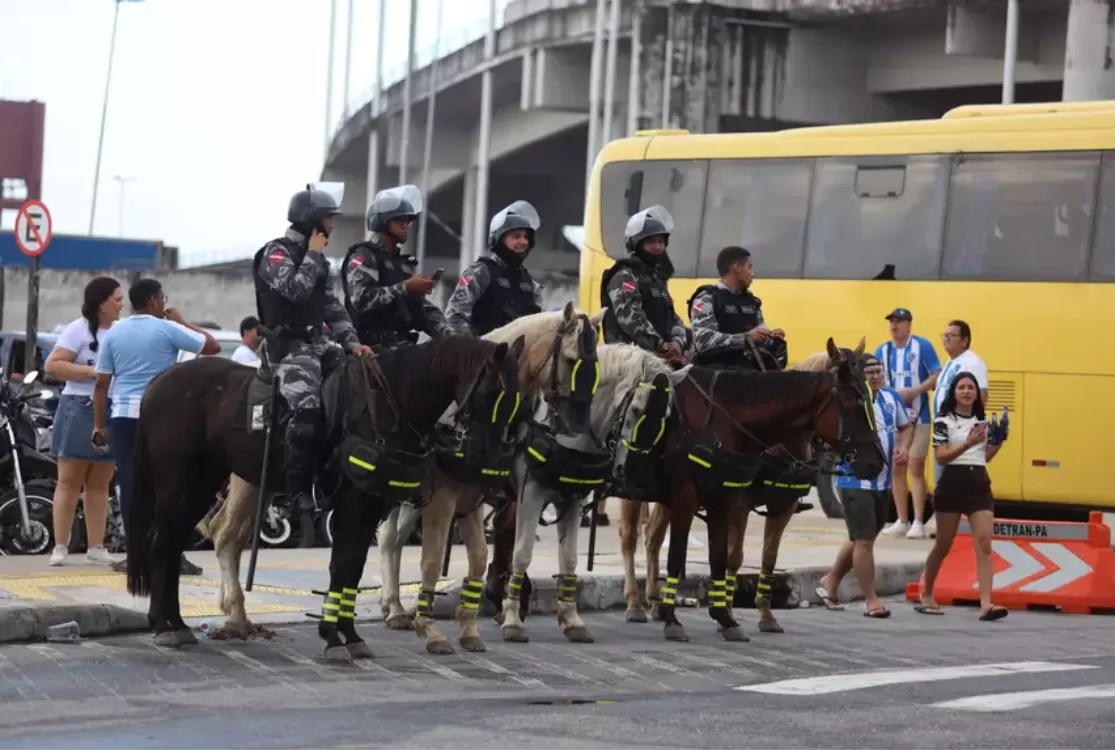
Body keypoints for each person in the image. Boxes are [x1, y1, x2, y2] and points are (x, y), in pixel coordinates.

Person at [254, 183, 371, 548]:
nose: (333, 226)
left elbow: (331, 307)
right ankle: (296, 490)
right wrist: (315, 255)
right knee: (307, 408)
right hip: (287, 348)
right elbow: (294, 291)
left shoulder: (315, 256)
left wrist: (353, 343)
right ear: (310, 222)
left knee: (360, 392)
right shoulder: (277, 252)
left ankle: (338, 473)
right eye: (328, 219)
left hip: (320, 344)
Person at [93, 279, 221, 574]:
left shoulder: (115, 332)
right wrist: (182, 321)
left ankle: (136, 556)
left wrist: (99, 424)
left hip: (123, 416)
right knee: (171, 485)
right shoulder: (167, 328)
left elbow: (101, 383)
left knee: (130, 484)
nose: (165, 302)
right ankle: (172, 555)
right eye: (163, 298)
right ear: (153, 300)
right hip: (163, 417)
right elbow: (212, 347)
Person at [815, 354, 913, 617]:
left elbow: (905, 427)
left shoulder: (891, 398)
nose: (876, 376)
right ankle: (871, 600)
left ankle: (831, 582)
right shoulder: (851, 402)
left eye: (879, 371)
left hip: (883, 482)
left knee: (860, 538)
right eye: (870, 372)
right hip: (855, 479)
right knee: (865, 541)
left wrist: (904, 448)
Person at [43, 277, 125, 566]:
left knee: (100, 481)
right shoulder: (76, 329)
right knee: (69, 480)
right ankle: (60, 546)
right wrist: (91, 373)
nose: (121, 304)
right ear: (101, 302)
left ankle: (96, 545)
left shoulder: (119, 331)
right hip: (78, 408)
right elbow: (52, 365)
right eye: (116, 299)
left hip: (108, 409)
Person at [916, 371, 1009, 621]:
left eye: (971, 387)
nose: (967, 391)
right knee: (943, 544)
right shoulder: (944, 421)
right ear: (954, 392)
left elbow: (983, 457)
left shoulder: (982, 421)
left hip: (978, 484)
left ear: (977, 393)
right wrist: (968, 443)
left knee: (985, 542)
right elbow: (941, 456)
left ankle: (987, 603)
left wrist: (998, 441)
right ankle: (925, 592)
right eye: (962, 387)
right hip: (952, 484)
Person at [341, 184, 453, 349]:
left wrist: (451, 335)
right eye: (400, 220)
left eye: (408, 220)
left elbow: (421, 309)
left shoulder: (404, 265)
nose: (406, 224)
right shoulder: (365, 255)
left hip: (403, 348)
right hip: (369, 350)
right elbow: (361, 299)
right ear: (382, 221)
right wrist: (406, 287)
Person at [876, 308, 941, 540]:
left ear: (909, 325)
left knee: (915, 467)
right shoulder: (883, 350)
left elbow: (936, 375)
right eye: (891, 321)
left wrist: (916, 390)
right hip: (893, 419)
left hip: (919, 417)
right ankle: (901, 520)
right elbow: (873, 377)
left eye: (899, 322)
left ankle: (918, 521)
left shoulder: (921, 346)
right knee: (896, 468)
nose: (894, 326)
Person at [599, 205, 689, 366]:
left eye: (661, 242)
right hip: (627, 362)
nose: (658, 247)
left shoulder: (656, 279)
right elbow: (630, 319)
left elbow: (673, 318)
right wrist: (662, 346)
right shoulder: (625, 275)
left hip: (657, 360)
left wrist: (677, 343)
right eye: (651, 242)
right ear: (637, 245)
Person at [446, 200, 544, 335]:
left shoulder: (530, 283)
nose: (523, 242)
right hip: (483, 353)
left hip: (521, 354)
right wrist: (472, 348)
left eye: (526, 237)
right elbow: (455, 316)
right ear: (498, 239)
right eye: (516, 236)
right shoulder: (479, 273)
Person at [687, 245, 787, 371]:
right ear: (737, 268)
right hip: (716, 377)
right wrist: (745, 338)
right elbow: (704, 341)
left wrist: (771, 338)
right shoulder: (707, 299)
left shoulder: (750, 302)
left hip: (749, 374)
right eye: (749, 267)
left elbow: (758, 336)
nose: (752, 274)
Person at [933, 320, 988, 482]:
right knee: (942, 487)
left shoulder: (972, 362)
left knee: (950, 486)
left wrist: (967, 430)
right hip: (945, 431)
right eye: (944, 335)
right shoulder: (952, 361)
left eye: (951, 335)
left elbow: (982, 397)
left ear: (964, 341)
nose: (945, 339)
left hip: (957, 433)